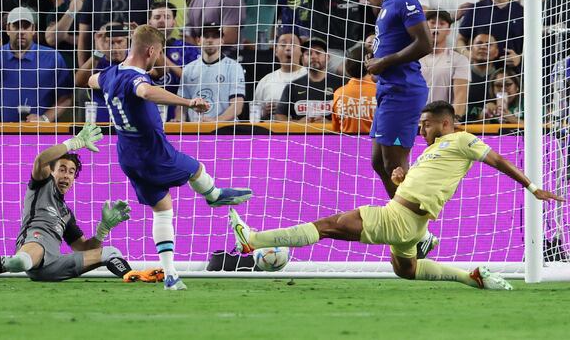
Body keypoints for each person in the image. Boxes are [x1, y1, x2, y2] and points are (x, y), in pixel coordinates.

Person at [230, 100, 564, 291]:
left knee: (329, 225)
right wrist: (402, 177)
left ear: (446, 123)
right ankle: (471, 277)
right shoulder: (429, 152)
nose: (422, 129)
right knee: (406, 270)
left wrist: (532, 187)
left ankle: (254, 240)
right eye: (421, 124)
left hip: (399, 218)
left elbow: (499, 160)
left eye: (427, 124)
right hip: (408, 222)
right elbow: (422, 184)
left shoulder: (462, 140)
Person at [89, 25, 252, 290]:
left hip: (128, 156)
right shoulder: (135, 79)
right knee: (196, 169)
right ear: (151, 50)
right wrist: (188, 103)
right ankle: (214, 196)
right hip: (153, 152)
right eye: (159, 52)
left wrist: (109, 81)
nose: (159, 57)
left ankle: (171, 274)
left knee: (163, 210)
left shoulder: (110, 74)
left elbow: (90, 80)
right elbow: (144, 91)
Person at [0, 126, 159, 283]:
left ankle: (131, 276)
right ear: (51, 172)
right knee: (19, 262)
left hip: (55, 266)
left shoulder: (66, 213)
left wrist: (103, 229)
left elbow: (83, 249)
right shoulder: (42, 186)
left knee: (110, 252)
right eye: (61, 169)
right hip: (33, 248)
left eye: (71, 172)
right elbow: (40, 159)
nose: (66, 175)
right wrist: (73, 143)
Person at [366, 0, 435, 258]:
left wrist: (385, 61)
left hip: (403, 90)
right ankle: (410, 226)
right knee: (378, 163)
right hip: (388, 89)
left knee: (395, 166)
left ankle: (418, 233)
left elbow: (425, 43)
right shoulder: (388, 3)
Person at [0, 7, 72, 123]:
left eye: (26, 26)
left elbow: (66, 97)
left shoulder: (52, 57)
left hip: (40, 133)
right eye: (16, 26)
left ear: (33, 29)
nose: (21, 31)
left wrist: (45, 118)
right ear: (8, 29)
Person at [457, 0, 524, 65]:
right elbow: (460, 40)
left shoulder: (522, 13)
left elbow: (533, 44)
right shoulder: (475, 9)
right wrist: (467, 53)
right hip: (480, 76)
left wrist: (520, 58)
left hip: (511, 76)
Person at [179, 23, 246, 122]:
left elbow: (237, 105)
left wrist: (215, 121)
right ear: (198, 41)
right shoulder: (188, 69)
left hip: (225, 129)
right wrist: (179, 120)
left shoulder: (234, 67)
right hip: (195, 129)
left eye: (215, 36)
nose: (210, 40)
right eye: (206, 36)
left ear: (222, 41)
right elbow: (181, 105)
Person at [275, 37, 342, 123]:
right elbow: (279, 117)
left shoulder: (341, 84)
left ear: (327, 58)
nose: (313, 56)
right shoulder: (292, 87)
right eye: (308, 53)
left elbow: (350, 118)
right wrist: (298, 124)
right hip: (301, 136)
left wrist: (330, 124)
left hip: (331, 136)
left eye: (318, 52)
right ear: (302, 60)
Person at [420, 10, 470, 120]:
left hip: (442, 122)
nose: (436, 27)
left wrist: (454, 120)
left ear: (448, 31)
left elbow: (461, 95)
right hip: (413, 120)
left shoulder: (459, 60)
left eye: (442, 24)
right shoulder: (413, 58)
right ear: (425, 27)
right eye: (432, 22)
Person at [75, 22, 130, 123]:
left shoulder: (134, 59)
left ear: (127, 40)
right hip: (101, 123)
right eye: (111, 43)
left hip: (129, 121)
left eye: (119, 42)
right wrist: (98, 52)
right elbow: (79, 82)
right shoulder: (97, 61)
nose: (115, 47)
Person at [252, 31, 307, 120]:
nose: (288, 48)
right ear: (276, 51)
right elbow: (254, 116)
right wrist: (265, 112)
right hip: (273, 132)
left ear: (301, 51)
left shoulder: (311, 77)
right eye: (283, 44)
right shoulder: (266, 81)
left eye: (293, 44)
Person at [332, 46, 377, 134]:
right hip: (375, 145)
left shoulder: (339, 93)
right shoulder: (380, 91)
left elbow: (336, 129)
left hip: (347, 146)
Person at [466, 33, 501, 122]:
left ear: (496, 52)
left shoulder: (502, 77)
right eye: (479, 43)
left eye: (489, 44)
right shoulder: (459, 75)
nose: (483, 47)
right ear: (470, 48)